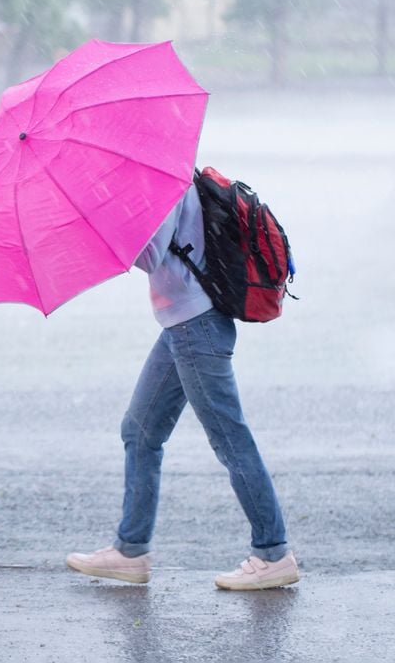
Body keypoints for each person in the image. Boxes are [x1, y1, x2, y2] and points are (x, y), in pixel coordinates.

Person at [66, 183, 300, 591]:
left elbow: (152, 253)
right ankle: (130, 551)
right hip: (181, 327)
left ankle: (273, 553)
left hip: (198, 328)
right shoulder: (160, 180)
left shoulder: (165, 185)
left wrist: (105, 225)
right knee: (140, 431)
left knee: (231, 440)